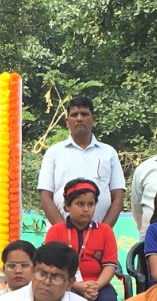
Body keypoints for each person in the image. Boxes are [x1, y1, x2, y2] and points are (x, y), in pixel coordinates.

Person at [43, 178, 121, 301]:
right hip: (65, 285)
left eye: (90, 204)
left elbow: (110, 265)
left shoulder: (105, 231)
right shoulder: (56, 231)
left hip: (98, 285)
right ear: (67, 206)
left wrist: (96, 286)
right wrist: (78, 286)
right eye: (80, 204)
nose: (86, 209)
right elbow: (51, 266)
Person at [37, 95, 126, 228]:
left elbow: (118, 199)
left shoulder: (109, 152)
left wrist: (101, 233)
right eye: (74, 115)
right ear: (67, 121)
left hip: (98, 238)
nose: (79, 119)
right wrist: (65, 232)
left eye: (84, 114)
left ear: (93, 119)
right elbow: (45, 198)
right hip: (60, 238)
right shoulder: (54, 153)